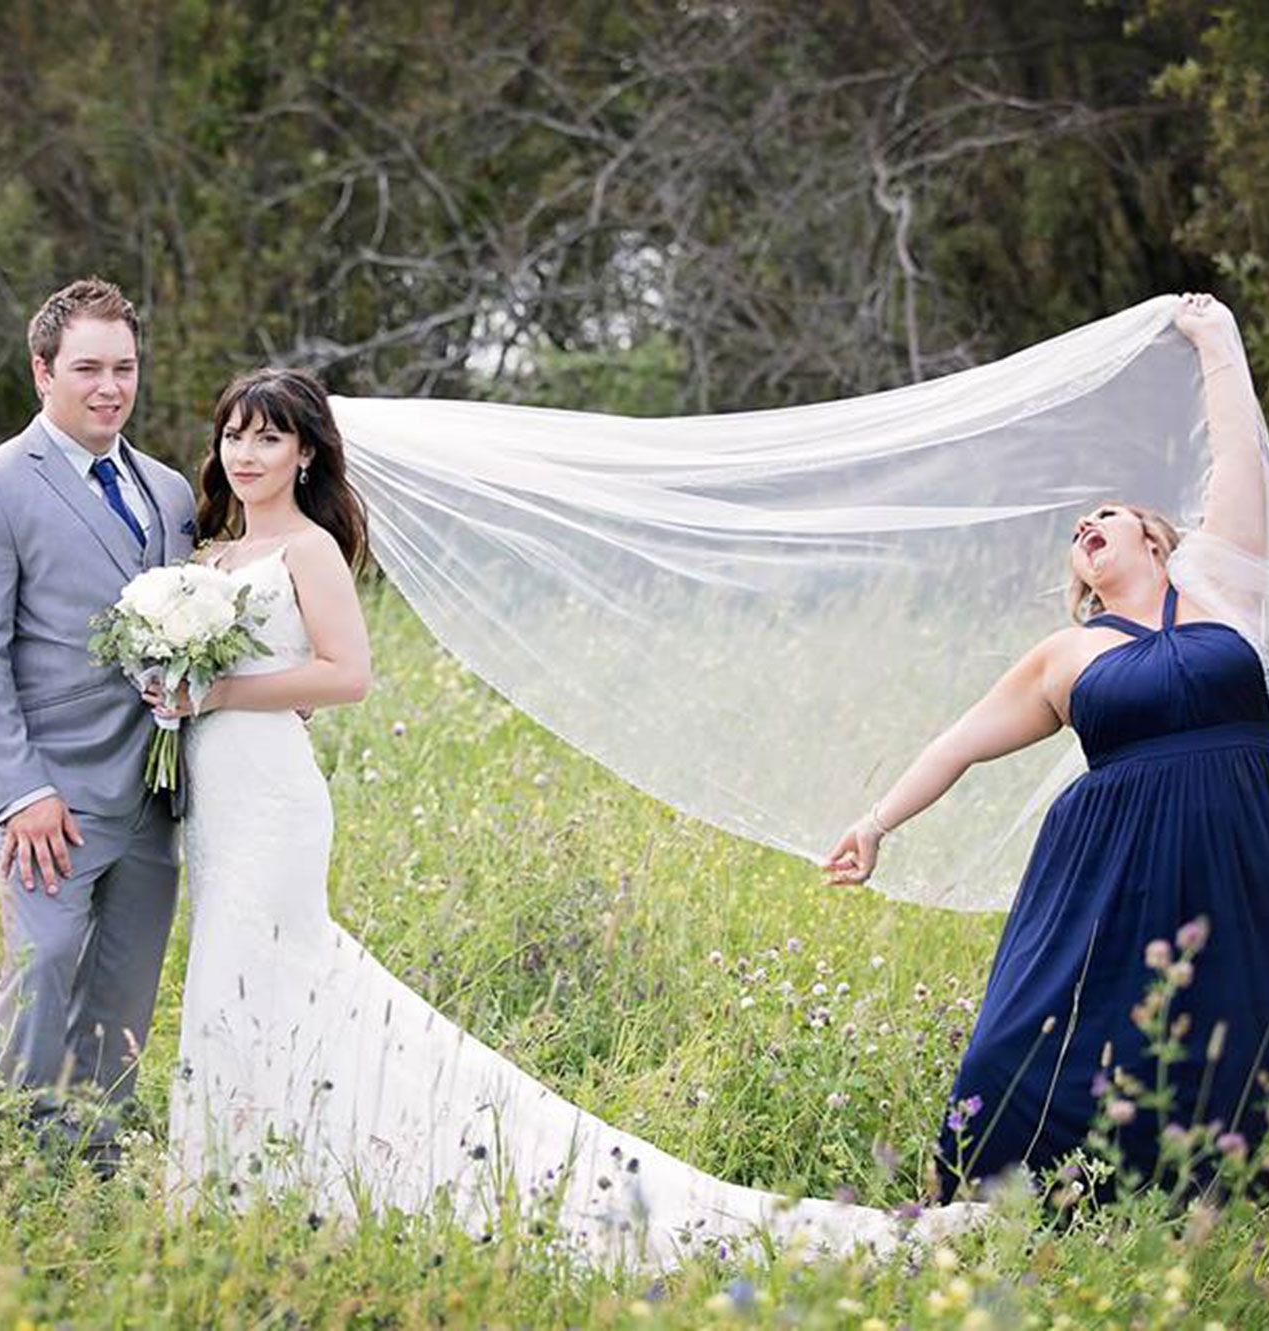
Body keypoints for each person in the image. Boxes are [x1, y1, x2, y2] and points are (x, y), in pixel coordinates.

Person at [144, 367, 981, 1270]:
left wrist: (222, 688)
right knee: (233, 976)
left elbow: (348, 675)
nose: (246, 452)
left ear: (305, 452)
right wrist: (168, 688)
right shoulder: (206, 559)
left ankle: (292, 1172)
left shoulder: (305, 549)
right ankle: (253, 1173)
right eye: (235, 433)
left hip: (272, 798)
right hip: (213, 798)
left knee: (275, 966)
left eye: (269, 436)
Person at [822, 293, 1269, 1200]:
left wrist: (1217, 340)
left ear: (1152, 532)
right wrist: (875, 819)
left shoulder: (1223, 584)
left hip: (1237, 852)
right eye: (1074, 537)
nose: (1085, 532)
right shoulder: (1066, 655)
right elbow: (961, 743)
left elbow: (1240, 451)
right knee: (1026, 1038)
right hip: (1107, 871)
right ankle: (992, 1196)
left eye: (1102, 516)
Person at [0, 278, 198, 1158]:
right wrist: (21, 791)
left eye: (124, 368)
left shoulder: (167, 490)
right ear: (42, 371)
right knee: (42, 970)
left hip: (154, 793)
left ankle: (88, 1156)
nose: (109, 387)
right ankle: (0, 1149)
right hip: (53, 796)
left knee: (124, 987)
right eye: (87, 368)